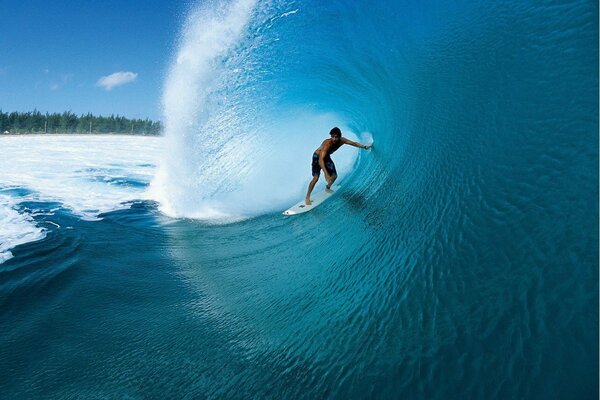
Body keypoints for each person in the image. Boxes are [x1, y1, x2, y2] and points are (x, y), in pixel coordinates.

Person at [305, 127, 372, 205]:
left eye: (336, 137)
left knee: (334, 176)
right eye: (332, 136)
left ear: (340, 136)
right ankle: (307, 197)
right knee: (316, 178)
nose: (334, 139)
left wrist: (364, 147)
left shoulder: (342, 140)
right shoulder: (327, 144)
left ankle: (327, 187)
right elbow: (321, 160)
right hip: (317, 157)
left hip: (326, 157)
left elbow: (353, 143)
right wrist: (326, 174)